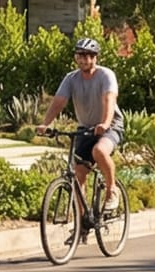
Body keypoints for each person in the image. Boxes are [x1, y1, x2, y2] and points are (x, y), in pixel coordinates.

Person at [42, 37, 124, 214]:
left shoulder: (106, 75)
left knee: (99, 151)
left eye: (89, 56)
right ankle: (82, 221)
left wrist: (105, 123)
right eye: (81, 55)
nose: (85, 59)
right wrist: (44, 124)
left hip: (111, 125)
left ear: (96, 58)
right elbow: (59, 102)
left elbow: (109, 99)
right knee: (79, 174)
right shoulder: (71, 79)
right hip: (86, 127)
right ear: (75, 57)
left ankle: (111, 190)